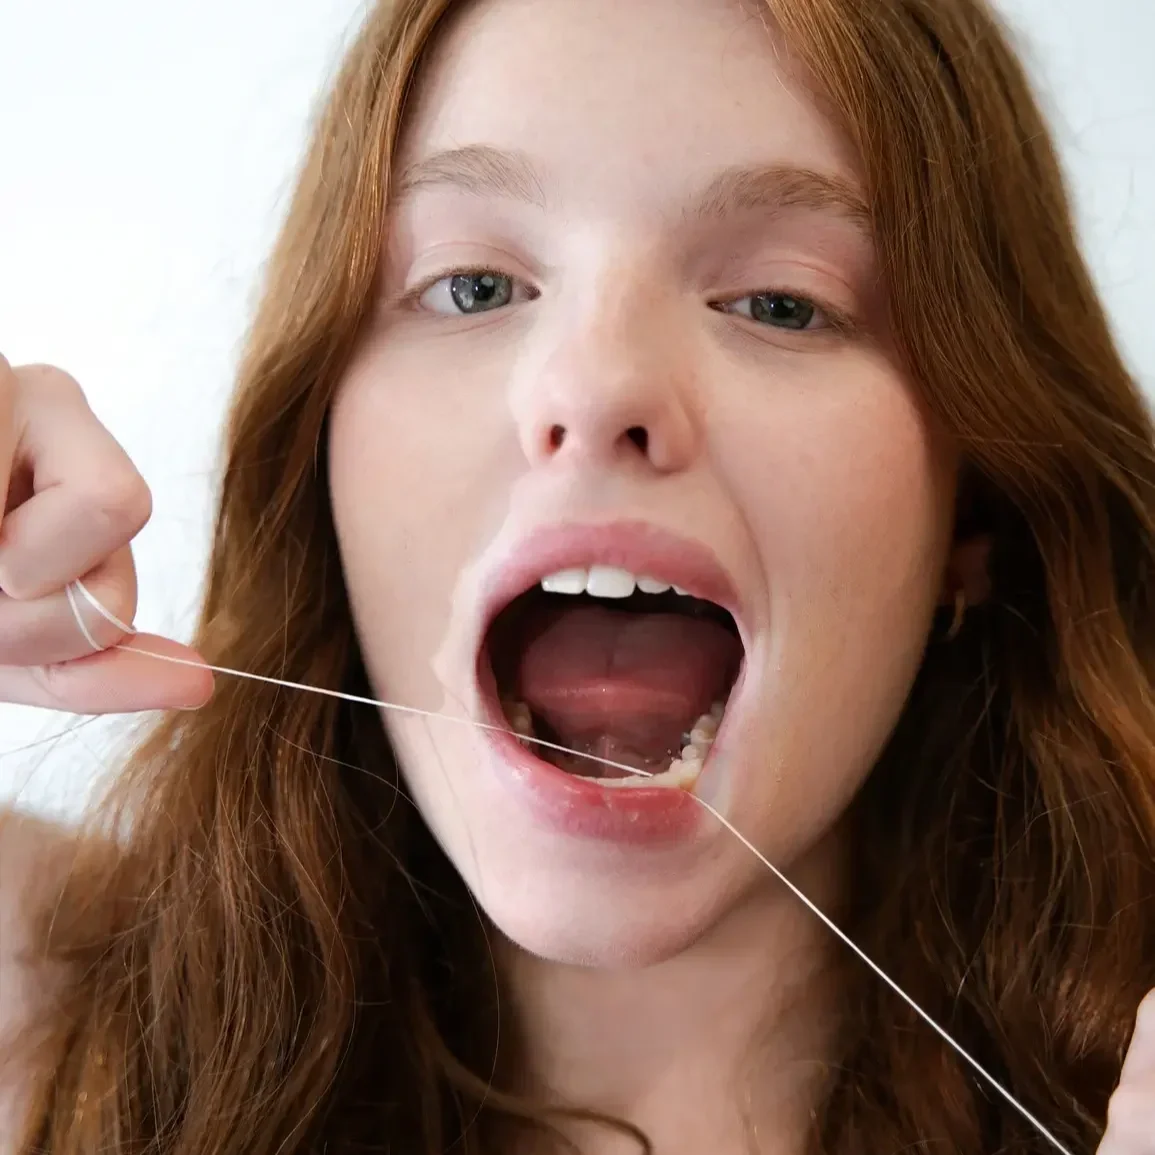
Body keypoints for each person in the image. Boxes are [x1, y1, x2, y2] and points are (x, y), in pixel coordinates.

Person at [1, 0, 1154, 1150]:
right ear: (320, 451)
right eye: (475, 287)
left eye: (781, 304)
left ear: (978, 511)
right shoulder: (38, 1034)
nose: (596, 389)